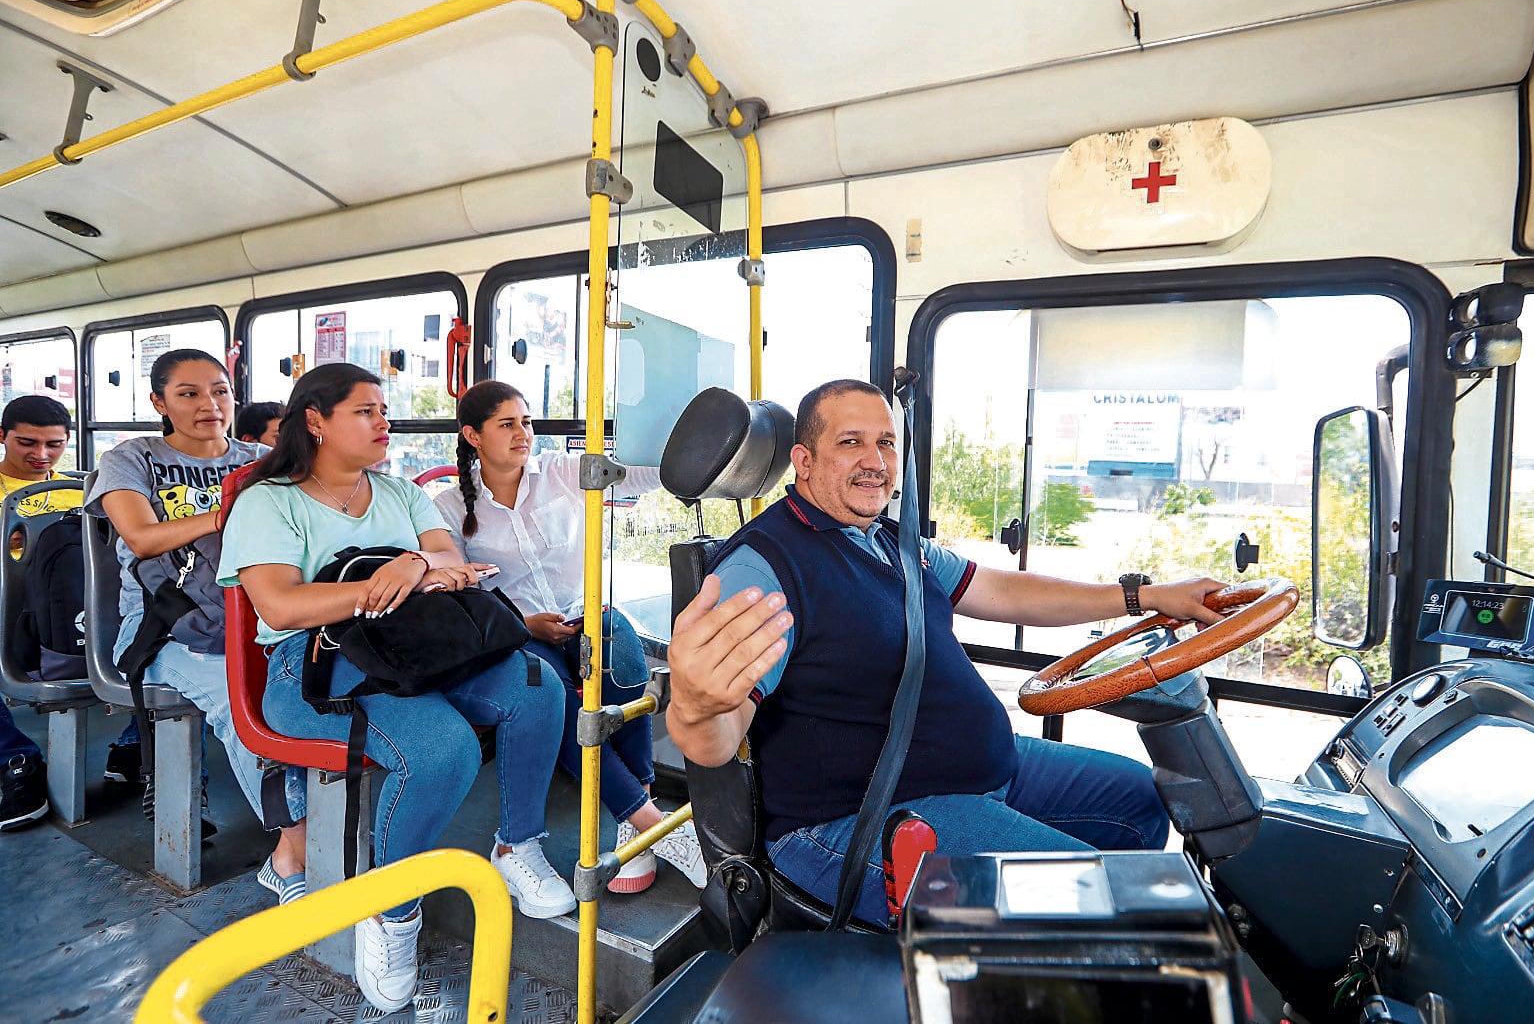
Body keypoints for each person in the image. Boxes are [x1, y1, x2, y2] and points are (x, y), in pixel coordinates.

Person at [667, 379, 1227, 928]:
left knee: (1141, 801)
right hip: (860, 819)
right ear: (804, 461)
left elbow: (1002, 590)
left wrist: (1142, 596)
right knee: (1096, 900)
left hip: (981, 772)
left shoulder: (887, 537)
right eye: (850, 441)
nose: (875, 460)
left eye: (885, 442)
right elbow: (716, 736)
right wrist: (694, 708)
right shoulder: (759, 569)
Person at [220, 363, 572, 1014]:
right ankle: (390, 911)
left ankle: (516, 844)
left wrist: (413, 565)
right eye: (366, 411)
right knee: (443, 749)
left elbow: (443, 557)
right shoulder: (269, 501)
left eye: (385, 411)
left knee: (537, 683)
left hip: (409, 640)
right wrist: (374, 588)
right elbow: (279, 607)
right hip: (315, 660)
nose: (384, 423)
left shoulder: (399, 493)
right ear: (316, 420)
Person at [435, 380, 707, 894]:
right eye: (507, 424)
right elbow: (461, 590)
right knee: (556, 700)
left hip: (585, 612)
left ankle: (635, 819)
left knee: (622, 658)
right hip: (517, 632)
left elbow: (639, 478)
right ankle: (652, 823)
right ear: (473, 435)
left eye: (528, 422)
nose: (524, 434)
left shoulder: (562, 473)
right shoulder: (449, 508)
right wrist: (525, 624)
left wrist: (696, 461)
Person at [84, 350, 308, 897]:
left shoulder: (261, 458)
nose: (210, 405)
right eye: (188, 394)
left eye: (220, 391)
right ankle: (297, 851)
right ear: (159, 402)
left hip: (259, 616)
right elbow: (140, 537)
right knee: (242, 703)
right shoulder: (132, 459)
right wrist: (227, 512)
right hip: (167, 628)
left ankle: (332, 832)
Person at [0, 395, 84, 830]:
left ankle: (134, 749)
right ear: (2, 438)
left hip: (77, 609)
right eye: (27, 443)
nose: (41, 455)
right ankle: (15, 756)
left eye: (54, 445)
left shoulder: (79, 491)